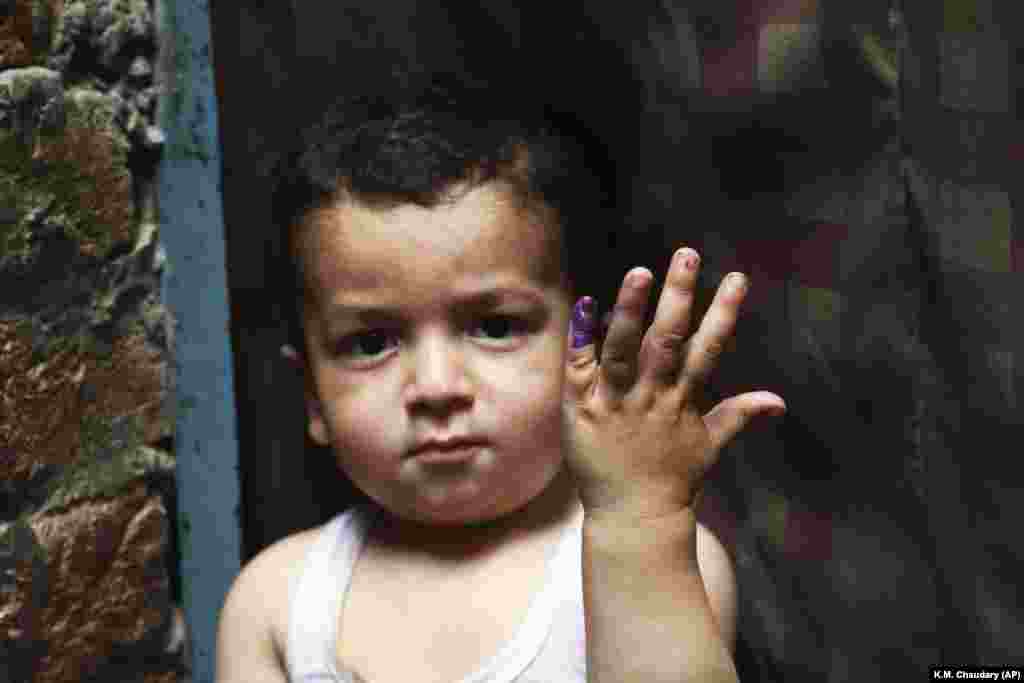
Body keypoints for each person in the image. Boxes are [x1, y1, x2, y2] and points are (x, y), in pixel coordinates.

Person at [215, 70, 786, 683]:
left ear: (585, 350)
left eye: (494, 327)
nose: (436, 388)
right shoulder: (278, 603)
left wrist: (638, 524)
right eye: (371, 342)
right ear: (312, 395)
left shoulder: (663, 555)